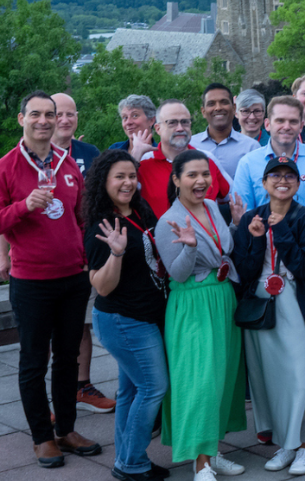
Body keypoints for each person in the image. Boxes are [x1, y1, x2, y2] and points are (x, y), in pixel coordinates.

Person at [0, 91, 101, 468]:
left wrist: (85, 259)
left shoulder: (68, 163)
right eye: (36, 114)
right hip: (31, 280)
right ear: (22, 119)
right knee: (34, 361)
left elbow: (80, 218)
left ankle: (66, 428)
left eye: (50, 114)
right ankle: (41, 437)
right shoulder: (4, 168)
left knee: (67, 359)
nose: (44, 121)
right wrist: (23, 207)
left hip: (72, 278)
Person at [232, 95, 305, 438]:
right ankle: (275, 414)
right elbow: (245, 219)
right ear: (266, 124)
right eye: (279, 120)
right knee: (269, 341)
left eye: (293, 121)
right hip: (266, 272)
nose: (286, 127)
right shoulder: (249, 163)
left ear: (302, 124)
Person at [154, 149, 247, 480]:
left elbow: (225, 250)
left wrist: (236, 225)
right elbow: (177, 274)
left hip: (222, 298)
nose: (201, 181)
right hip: (192, 304)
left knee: (222, 379)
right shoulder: (168, 221)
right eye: (192, 175)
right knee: (199, 383)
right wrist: (190, 247)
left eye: (205, 174)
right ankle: (200, 463)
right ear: (176, 180)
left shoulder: (211, 207)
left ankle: (212, 450)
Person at [232, 157, 305, 475]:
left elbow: (304, 267)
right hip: (260, 304)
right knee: (268, 377)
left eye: (289, 176)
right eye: (275, 175)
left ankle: (304, 447)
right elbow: (242, 271)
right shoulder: (250, 218)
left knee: (298, 377)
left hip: (293, 303)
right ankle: (287, 444)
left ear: (298, 183)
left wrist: (280, 228)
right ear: (264, 182)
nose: (282, 180)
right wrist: (256, 241)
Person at [84, 150, 169, 481]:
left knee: (131, 391)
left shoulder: (140, 211)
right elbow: (102, 287)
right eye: (119, 176)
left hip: (146, 316)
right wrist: (116, 253)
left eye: (132, 176)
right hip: (124, 320)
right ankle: (131, 464)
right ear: (104, 181)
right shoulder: (102, 226)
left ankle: (129, 457)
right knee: (153, 388)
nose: (128, 182)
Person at [48, 92, 112, 414]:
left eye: (70, 114)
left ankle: (81, 386)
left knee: (80, 323)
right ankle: (52, 396)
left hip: (87, 251)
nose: (64, 119)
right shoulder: (33, 155)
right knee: (45, 330)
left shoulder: (89, 152)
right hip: (46, 256)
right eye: (58, 113)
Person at [137, 100, 232, 218]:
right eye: (172, 123)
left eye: (185, 122)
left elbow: (233, 198)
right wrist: (135, 155)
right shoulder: (143, 163)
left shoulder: (207, 159)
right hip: (161, 235)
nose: (180, 128)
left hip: (205, 235)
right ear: (158, 128)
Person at [191, 83, 260, 178]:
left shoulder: (251, 148)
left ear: (234, 108)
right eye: (211, 104)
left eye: (224, 102)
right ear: (203, 112)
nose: (218, 108)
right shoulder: (190, 146)